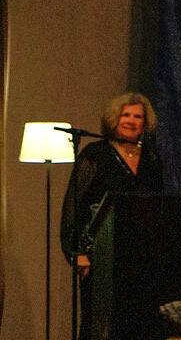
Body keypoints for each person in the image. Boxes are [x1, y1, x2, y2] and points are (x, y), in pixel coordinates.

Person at [59, 92, 163, 278]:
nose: (131, 121)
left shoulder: (151, 158)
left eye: (137, 116)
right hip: (101, 252)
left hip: (143, 254)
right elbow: (73, 207)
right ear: (114, 119)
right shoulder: (95, 154)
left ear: (145, 124)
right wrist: (77, 253)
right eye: (126, 115)